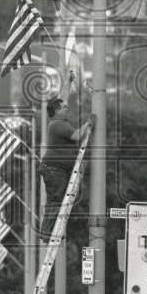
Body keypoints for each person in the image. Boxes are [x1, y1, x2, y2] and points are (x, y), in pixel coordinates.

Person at [39, 97, 95, 241]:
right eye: (64, 107)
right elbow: (77, 136)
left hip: (56, 169)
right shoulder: (58, 124)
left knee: (57, 200)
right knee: (56, 200)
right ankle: (47, 233)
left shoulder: (57, 124)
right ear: (56, 111)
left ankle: (50, 232)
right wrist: (88, 123)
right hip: (54, 169)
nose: (67, 109)